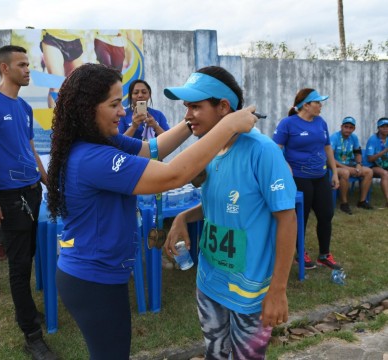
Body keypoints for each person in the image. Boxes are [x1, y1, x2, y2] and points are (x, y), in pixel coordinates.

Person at [47, 63, 257, 359]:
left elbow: (151, 150)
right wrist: (228, 125)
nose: (123, 112)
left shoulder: (100, 140)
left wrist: (192, 120)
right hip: (93, 281)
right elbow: (173, 175)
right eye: (115, 104)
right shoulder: (92, 157)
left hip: (99, 275)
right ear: (87, 108)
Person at [163, 66, 297, 360]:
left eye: (196, 106)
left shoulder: (262, 150)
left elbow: (287, 219)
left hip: (250, 292)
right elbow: (217, 204)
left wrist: (278, 290)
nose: (187, 115)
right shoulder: (208, 149)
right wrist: (183, 217)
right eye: (186, 107)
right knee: (215, 353)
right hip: (210, 282)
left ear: (223, 107)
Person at [0, 45, 55, 360]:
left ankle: (29, 312)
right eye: (22, 64)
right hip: (7, 196)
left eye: (28, 64)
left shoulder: (24, 107)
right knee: (19, 267)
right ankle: (32, 336)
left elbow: (29, 149)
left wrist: (47, 182)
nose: (28, 69)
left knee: (30, 256)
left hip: (32, 191)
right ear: (4, 68)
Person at [273, 88, 342, 271]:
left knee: (326, 214)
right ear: (306, 105)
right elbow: (275, 149)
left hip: (321, 176)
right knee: (300, 218)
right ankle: (300, 252)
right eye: (318, 103)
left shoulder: (320, 122)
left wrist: (334, 172)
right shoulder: (288, 123)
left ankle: (324, 255)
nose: (321, 106)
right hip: (299, 178)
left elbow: (327, 148)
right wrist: (285, 167)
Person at [330, 116, 374, 214]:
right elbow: (330, 158)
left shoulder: (354, 137)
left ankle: (362, 201)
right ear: (341, 127)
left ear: (354, 129)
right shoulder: (334, 137)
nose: (348, 129)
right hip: (335, 166)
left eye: (351, 127)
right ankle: (344, 203)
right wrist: (348, 168)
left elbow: (358, 153)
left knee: (369, 171)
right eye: (346, 127)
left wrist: (358, 164)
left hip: (350, 165)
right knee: (345, 173)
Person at [40, 29, 84, 108]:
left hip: (75, 39)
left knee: (74, 85)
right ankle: (52, 118)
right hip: (52, 36)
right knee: (56, 84)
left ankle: (69, 116)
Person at [365, 117, 388, 207]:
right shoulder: (373, 139)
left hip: (385, 164)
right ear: (378, 128)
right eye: (383, 126)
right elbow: (370, 159)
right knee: (385, 174)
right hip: (372, 165)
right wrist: (385, 151)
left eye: (387, 126)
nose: (386, 128)